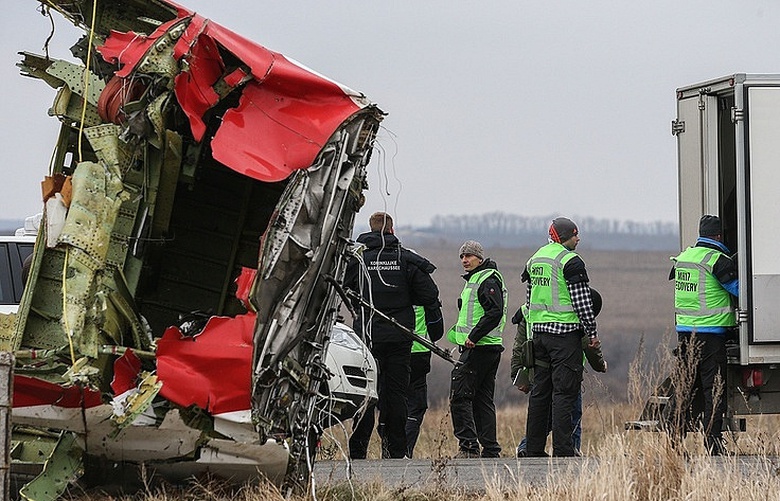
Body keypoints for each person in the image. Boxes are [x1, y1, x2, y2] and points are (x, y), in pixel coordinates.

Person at [345, 212, 442, 459]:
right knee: (396, 395)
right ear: (392, 230)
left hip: (366, 339)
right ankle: (395, 452)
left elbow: (342, 289)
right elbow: (429, 295)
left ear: (370, 229)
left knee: (366, 394)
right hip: (399, 339)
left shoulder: (357, 260)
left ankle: (357, 452)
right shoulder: (407, 260)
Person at [522, 217, 599, 457]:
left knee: (540, 393)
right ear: (565, 236)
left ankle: (534, 449)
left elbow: (529, 297)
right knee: (564, 393)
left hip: (539, 336)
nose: (578, 239)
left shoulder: (535, 258)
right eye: (575, 235)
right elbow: (582, 301)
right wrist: (591, 332)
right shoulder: (570, 261)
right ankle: (564, 451)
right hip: (565, 336)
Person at [670, 214, 738, 455]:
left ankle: (674, 440)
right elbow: (739, 289)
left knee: (686, 388)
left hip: (685, 334)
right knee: (713, 389)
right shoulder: (717, 260)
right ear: (719, 236)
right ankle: (713, 443)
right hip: (711, 336)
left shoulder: (684, 257)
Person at [511, 290, 606, 457]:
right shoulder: (572, 314)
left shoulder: (528, 310)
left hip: (537, 368)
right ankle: (570, 450)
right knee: (570, 411)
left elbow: (519, 346)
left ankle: (529, 447)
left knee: (541, 409)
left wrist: (516, 375)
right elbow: (589, 347)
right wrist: (600, 365)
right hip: (567, 371)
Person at [447, 240, 507, 458]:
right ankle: (490, 449)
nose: (464, 260)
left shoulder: (486, 279)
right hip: (487, 348)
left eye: (469, 256)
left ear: (479, 258)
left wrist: (473, 336)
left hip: (480, 348)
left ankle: (468, 447)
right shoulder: (476, 279)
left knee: (460, 396)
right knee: (482, 400)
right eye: (462, 257)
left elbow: (494, 312)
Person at [406, 305, 443, 458]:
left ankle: (390, 449)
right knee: (415, 407)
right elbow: (436, 331)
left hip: (390, 351)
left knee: (391, 403)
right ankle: (405, 450)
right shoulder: (423, 291)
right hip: (419, 353)